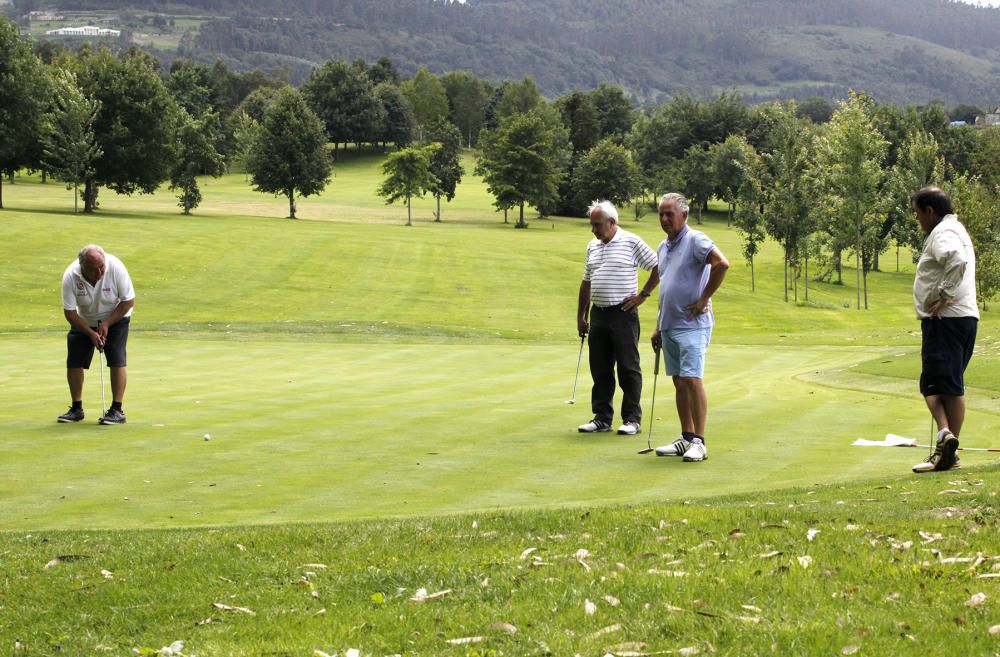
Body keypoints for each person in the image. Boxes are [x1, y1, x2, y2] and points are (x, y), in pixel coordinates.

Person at [651, 193, 729, 462]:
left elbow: (721, 264)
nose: (664, 219)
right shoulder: (663, 247)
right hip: (670, 325)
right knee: (679, 382)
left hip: (692, 324)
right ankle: (686, 437)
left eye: (669, 214)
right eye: (661, 213)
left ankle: (700, 441)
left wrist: (704, 298)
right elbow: (666, 288)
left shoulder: (696, 240)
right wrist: (658, 326)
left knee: (692, 379)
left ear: (683, 215)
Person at [910, 187, 978, 473]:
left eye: (917, 214)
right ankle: (947, 448)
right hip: (963, 319)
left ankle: (947, 441)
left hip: (946, 320)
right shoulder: (957, 229)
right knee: (947, 385)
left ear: (929, 211)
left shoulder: (943, 234)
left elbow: (956, 261)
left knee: (935, 386)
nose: (918, 221)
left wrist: (945, 294)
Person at [576, 200, 659, 435]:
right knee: (600, 368)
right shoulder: (592, 246)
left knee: (627, 367)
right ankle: (602, 417)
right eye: (592, 224)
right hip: (599, 314)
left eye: (597, 224)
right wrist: (581, 315)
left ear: (612, 223)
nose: (593, 229)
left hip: (623, 314)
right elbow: (586, 282)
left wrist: (642, 295)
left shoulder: (631, 241)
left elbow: (657, 266)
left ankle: (632, 419)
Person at [58, 244, 135, 425]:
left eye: (102, 267)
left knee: (116, 357)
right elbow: (70, 313)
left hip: (116, 316)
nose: (100, 272)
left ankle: (117, 410)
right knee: (74, 360)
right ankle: (77, 409)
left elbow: (128, 301)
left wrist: (107, 323)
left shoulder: (115, 267)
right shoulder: (70, 276)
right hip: (84, 320)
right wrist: (90, 333)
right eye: (95, 269)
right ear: (82, 266)